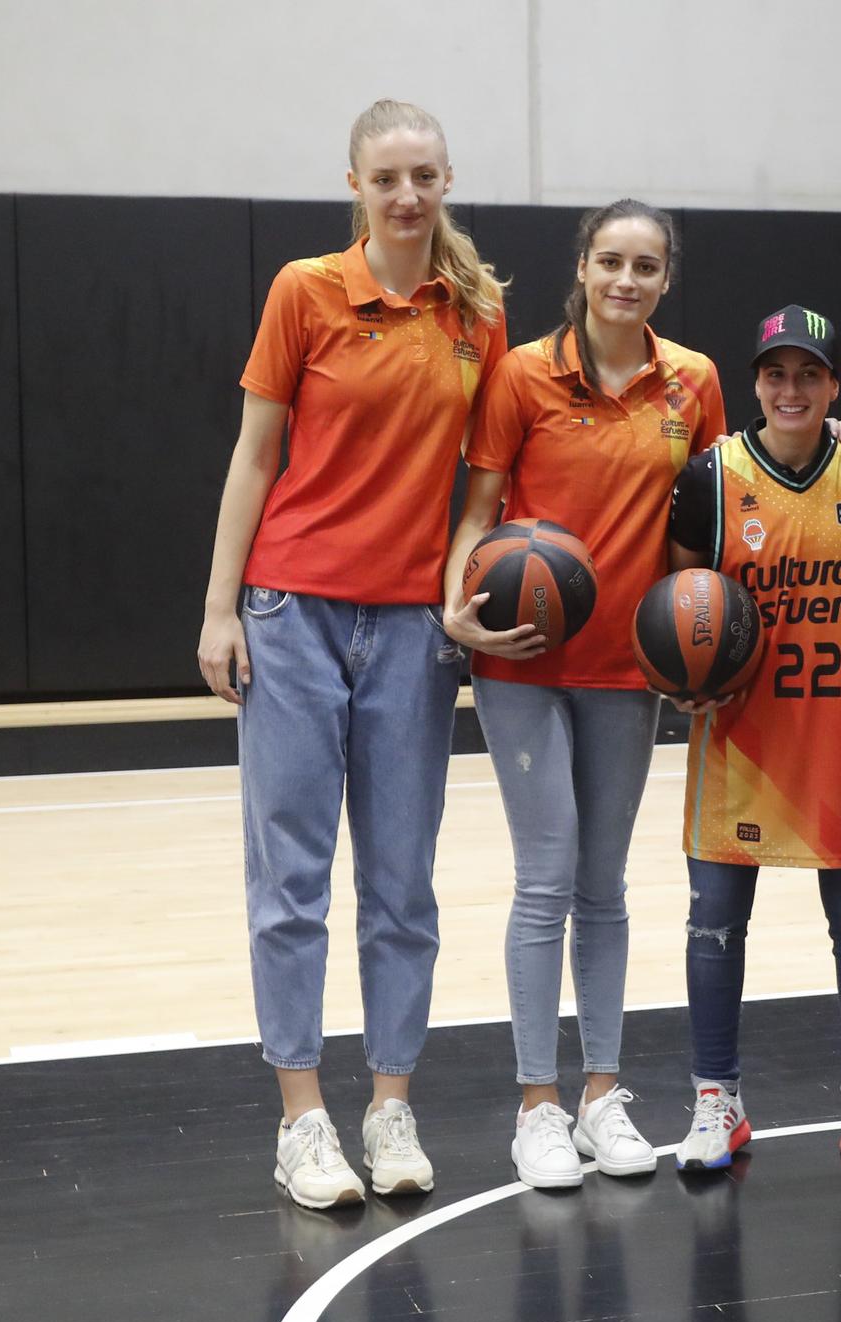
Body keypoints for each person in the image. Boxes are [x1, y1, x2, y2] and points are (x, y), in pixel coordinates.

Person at [196, 99, 507, 1210]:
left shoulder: (478, 315)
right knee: (290, 879)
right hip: (290, 615)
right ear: (355, 187)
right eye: (387, 179)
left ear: (446, 179)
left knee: (399, 884)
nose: (409, 196)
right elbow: (253, 456)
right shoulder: (304, 291)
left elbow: (483, 483)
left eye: (424, 176)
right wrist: (220, 605)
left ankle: (388, 1104)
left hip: (413, 631)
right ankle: (301, 1119)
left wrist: (455, 587)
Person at [441, 200, 727, 1190]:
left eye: (645, 265)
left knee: (602, 882)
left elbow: (702, 527)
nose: (626, 279)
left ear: (663, 277)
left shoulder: (692, 381)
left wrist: (701, 647)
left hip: (628, 668)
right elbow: (479, 509)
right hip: (520, 656)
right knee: (547, 874)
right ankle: (537, 1105)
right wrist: (455, 609)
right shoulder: (520, 373)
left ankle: (601, 1094)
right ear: (582, 266)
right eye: (611, 260)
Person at [664, 305, 841, 1179]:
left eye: (810, 373)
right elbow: (678, 598)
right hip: (741, 738)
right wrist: (679, 667)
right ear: (754, 383)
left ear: (836, 385)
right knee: (715, 925)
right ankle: (716, 1100)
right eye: (776, 373)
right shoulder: (712, 478)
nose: (792, 388)